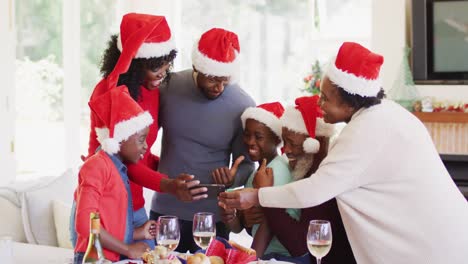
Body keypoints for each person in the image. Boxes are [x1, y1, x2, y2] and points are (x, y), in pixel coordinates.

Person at [219, 42, 468, 264]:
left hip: (431, 246)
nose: (319, 104)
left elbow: (314, 191)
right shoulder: (388, 114)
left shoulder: (364, 132)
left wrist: (256, 195)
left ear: (350, 102)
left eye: (326, 98)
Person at [75, 13, 204, 249]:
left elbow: (140, 154)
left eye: (166, 68)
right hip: (105, 210)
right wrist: (168, 185)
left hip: (134, 206)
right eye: (156, 68)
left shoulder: (152, 91)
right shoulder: (108, 93)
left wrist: (174, 174)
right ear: (134, 64)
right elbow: (121, 164)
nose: (161, 75)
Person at [150, 28, 256, 253]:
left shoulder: (243, 105)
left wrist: (233, 176)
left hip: (212, 219)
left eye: (225, 81)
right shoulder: (168, 87)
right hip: (165, 213)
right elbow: (142, 141)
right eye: (213, 80)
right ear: (198, 67)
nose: (219, 87)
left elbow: (246, 165)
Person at [256, 95, 355, 263]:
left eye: (292, 143)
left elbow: (299, 245)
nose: (286, 150)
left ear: (316, 143)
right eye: (284, 141)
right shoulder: (305, 169)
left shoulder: (324, 175)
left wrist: (265, 194)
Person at [74, 87, 156, 263]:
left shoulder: (117, 168)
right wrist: (128, 249)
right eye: (141, 139)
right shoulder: (96, 166)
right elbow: (85, 224)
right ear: (120, 137)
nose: (145, 146)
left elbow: (107, 224)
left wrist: (137, 233)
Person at [222, 102, 296, 258]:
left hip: (280, 256)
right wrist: (230, 215)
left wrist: (251, 259)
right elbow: (240, 227)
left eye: (259, 136)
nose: (250, 141)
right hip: (266, 254)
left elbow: (269, 225)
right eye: (247, 134)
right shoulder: (259, 171)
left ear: (276, 140)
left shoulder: (276, 170)